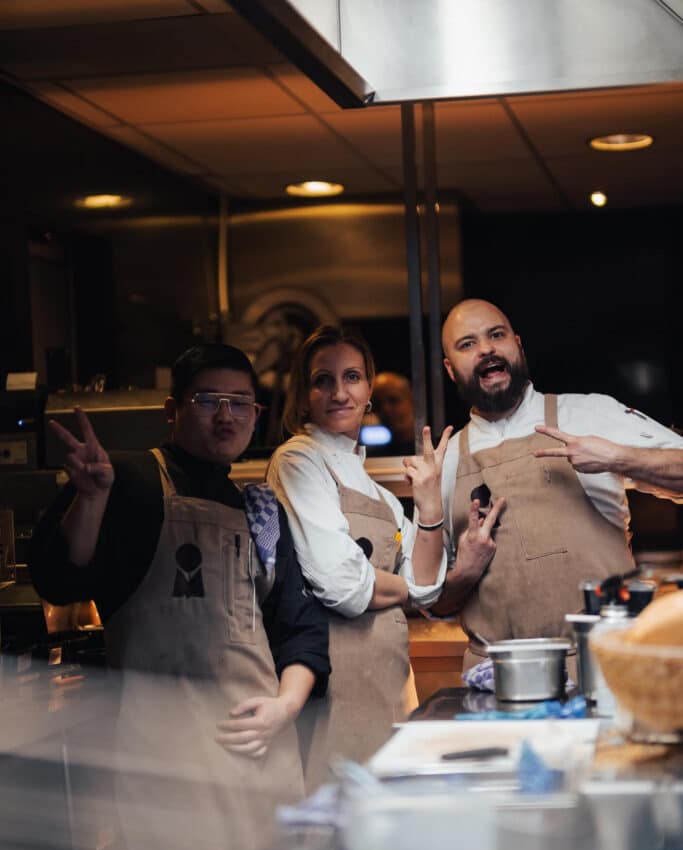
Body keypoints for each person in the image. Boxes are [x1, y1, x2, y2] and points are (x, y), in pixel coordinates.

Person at [30, 343, 329, 850]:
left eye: (239, 403)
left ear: (256, 412)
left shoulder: (260, 508)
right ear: (173, 410)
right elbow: (60, 579)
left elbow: (300, 629)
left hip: (262, 759)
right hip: (169, 766)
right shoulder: (130, 481)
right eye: (207, 401)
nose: (225, 416)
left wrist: (285, 708)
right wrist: (90, 500)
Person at [433, 297, 683, 668]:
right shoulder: (445, 462)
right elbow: (435, 602)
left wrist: (618, 458)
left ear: (517, 344)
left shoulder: (589, 413)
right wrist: (463, 573)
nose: (486, 349)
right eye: (467, 344)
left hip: (605, 665)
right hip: (496, 679)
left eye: (496, 335)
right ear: (451, 370)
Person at [267, 324, 450, 788]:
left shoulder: (377, 493)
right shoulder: (298, 461)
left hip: (389, 686)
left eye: (351, 377)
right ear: (303, 395)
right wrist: (404, 588)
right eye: (321, 379)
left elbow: (430, 586)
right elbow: (344, 586)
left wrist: (428, 502)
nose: (338, 392)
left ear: (369, 389)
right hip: (335, 692)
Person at [370, 371, 415, 451]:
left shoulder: (437, 445)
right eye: (378, 404)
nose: (385, 410)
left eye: (393, 400)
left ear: (411, 400)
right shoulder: (375, 455)